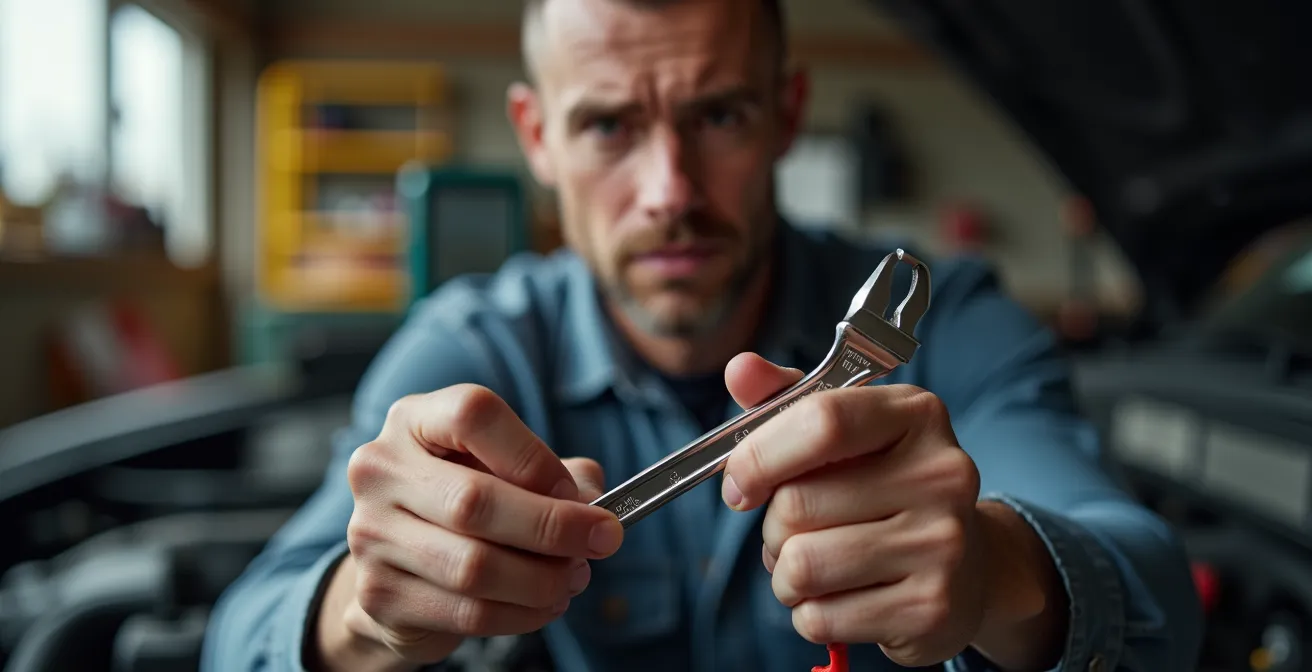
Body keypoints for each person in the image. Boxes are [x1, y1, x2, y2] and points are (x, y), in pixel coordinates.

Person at [201, 0, 1203, 670]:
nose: (669, 192)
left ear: (785, 113)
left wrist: (997, 573)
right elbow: (241, 634)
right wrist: (359, 613)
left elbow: (1158, 595)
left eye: (717, 116)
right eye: (608, 128)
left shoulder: (952, 324)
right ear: (537, 137)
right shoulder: (478, 348)